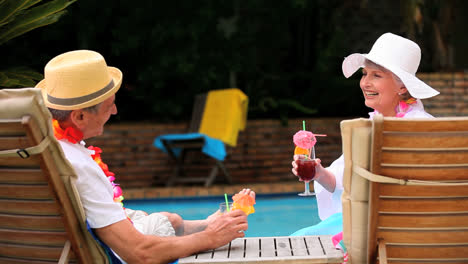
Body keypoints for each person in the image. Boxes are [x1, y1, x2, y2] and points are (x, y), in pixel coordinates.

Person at [36, 49, 255, 263]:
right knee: (165, 222)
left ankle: (207, 222)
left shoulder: (45, 149)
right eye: (109, 106)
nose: (114, 112)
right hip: (123, 254)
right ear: (80, 116)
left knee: (166, 219)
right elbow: (140, 253)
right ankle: (208, 226)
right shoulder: (78, 165)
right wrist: (209, 238)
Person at [290, 32, 440, 236]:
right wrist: (318, 173)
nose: (364, 83)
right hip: (390, 230)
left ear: (402, 86)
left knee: (299, 244)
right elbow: (343, 182)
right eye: (364, 74)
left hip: (388, 233)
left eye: (376, 75)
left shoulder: (421, 130)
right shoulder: (372, 126)